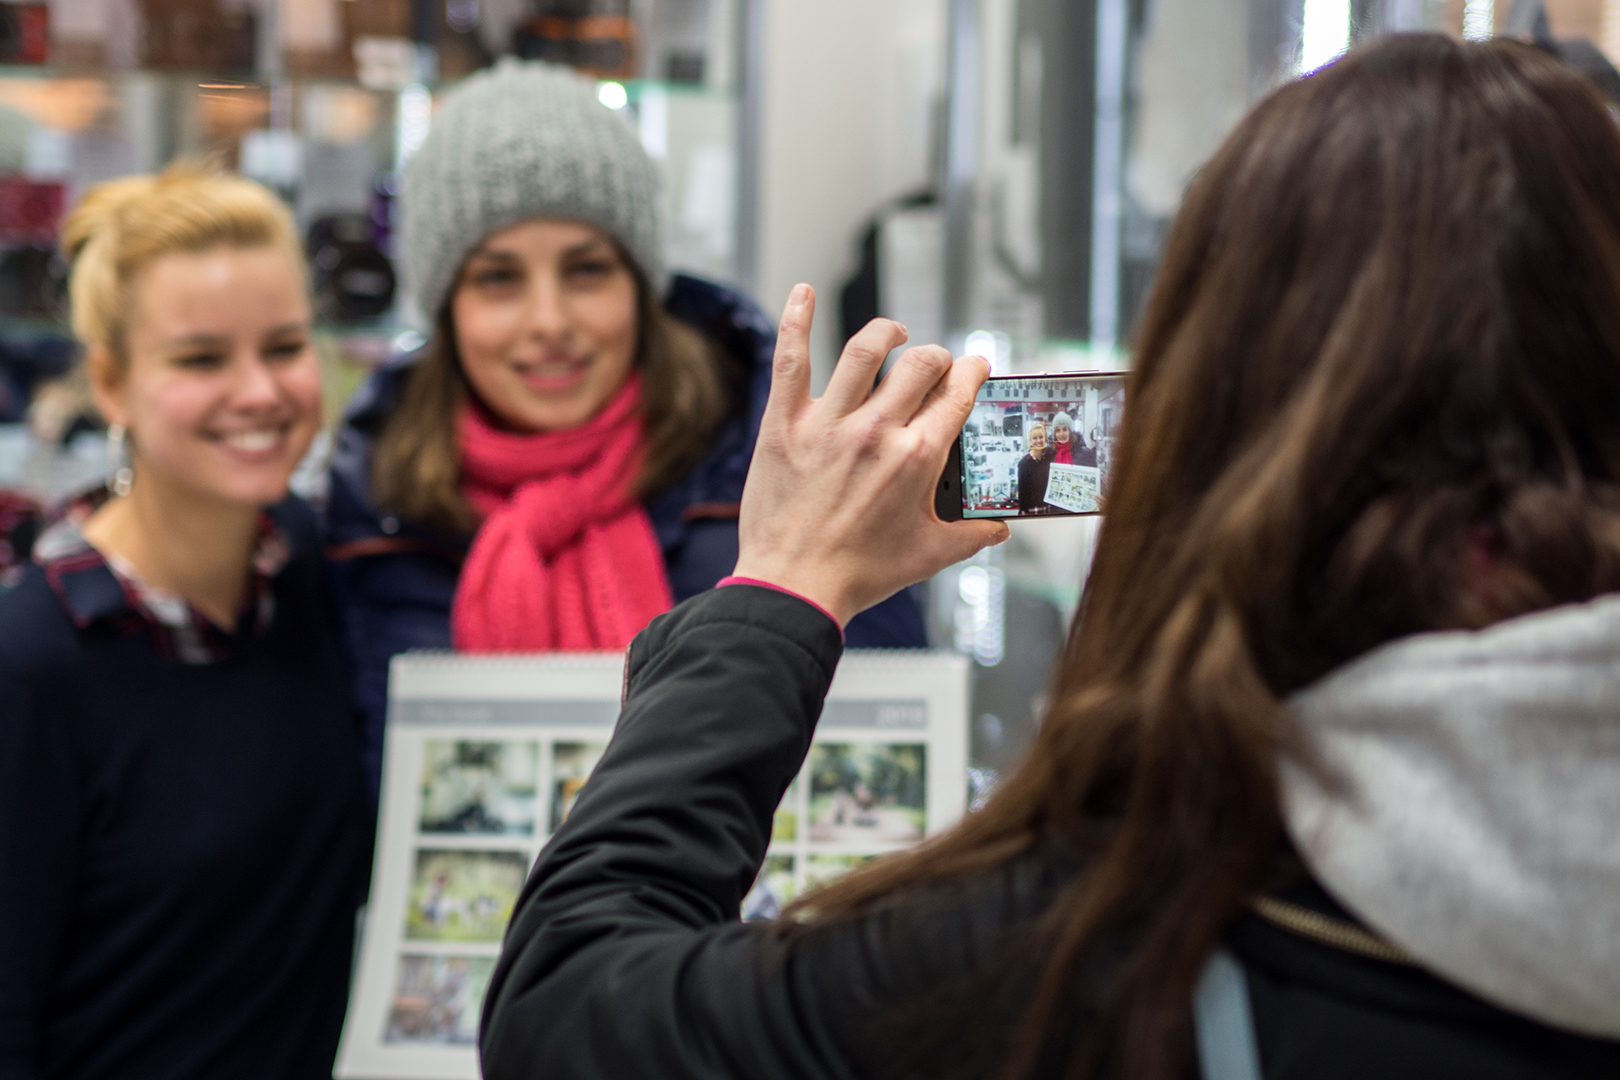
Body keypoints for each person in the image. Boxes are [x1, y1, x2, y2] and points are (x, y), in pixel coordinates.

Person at [478, 36, 1620, 1080]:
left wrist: (781, 585)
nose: (548, 323)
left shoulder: (1084, 953)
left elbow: (570, 1018)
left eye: (587, 269)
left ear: (1206, 399)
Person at [325, 61, 926, 797]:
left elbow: (887, 747)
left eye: (586, 271)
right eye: (498, 279)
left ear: (642, 289)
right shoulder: (373, 501)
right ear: (446, 309)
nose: (550, 323)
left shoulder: (780, 469)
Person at [0, 167, 371, 1078]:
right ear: (113, 385)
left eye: (284, 346)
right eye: (201, 360)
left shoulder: (304, 568)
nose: (258, 392)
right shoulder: (31, 665)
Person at [1016, 419, 1052, 514]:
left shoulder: (1049, 458)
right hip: (1031, 511)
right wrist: (1023, 512)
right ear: (1030, 440)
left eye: (1041, 437)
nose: (1038, 441)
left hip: (1048, 509)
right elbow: (1022, 493)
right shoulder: (1024, 463)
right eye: (1035, 438)